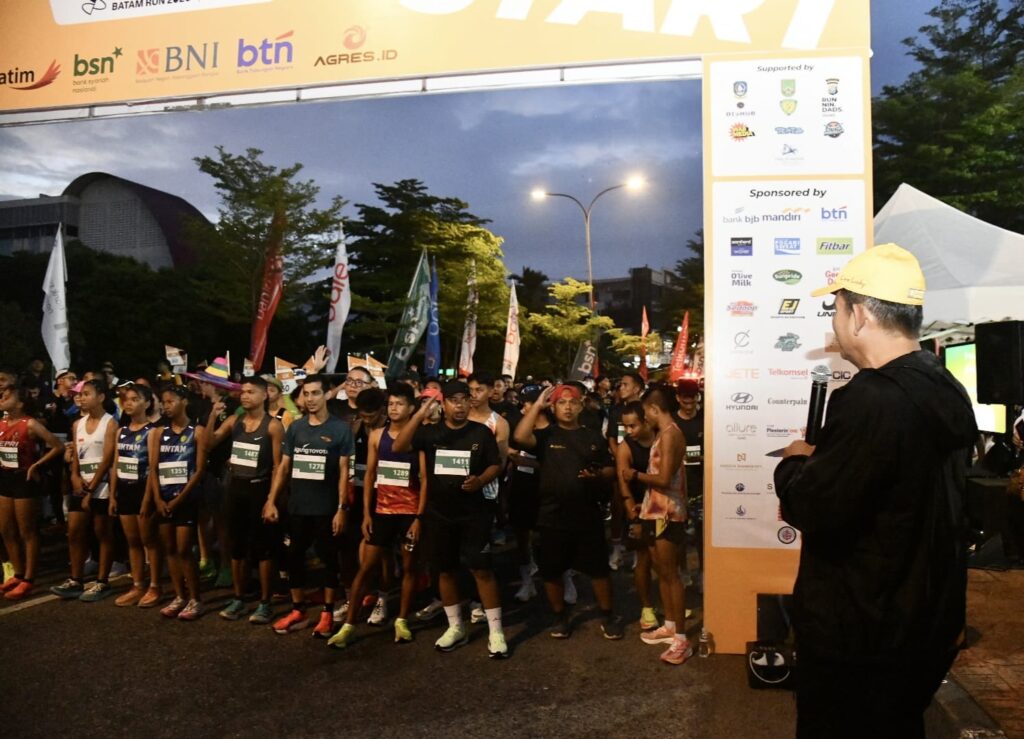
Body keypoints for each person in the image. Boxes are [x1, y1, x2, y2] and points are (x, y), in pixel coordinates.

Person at [774, 243, 977, 738]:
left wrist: (797, 461)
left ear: (860, 315)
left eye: (836, 309)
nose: (835, 322)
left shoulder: (871, 398)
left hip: (860, 634)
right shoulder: (946, 387)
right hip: (921, 628)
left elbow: (811, 507)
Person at [392, 380, 508, 658]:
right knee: (444, 570)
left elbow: (496, 464)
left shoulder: (481, 432)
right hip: (439, 515)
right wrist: (420, 414)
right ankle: (455, 626)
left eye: (464, 399)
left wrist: (480, 480)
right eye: (454, 400)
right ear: (443, 404)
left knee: (482, 570)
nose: (460, 405)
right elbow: (399, 446)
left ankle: (496, 631)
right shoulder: (430, 432)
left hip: (475, 514)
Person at [513, 384, 625, 641]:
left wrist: (598, 474)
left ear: (580, 406)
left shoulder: (592, 436)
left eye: (572, 402)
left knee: (599, 570)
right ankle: (560, 617)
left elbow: (610, 469)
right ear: (553, 407)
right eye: (561, 403)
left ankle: (607, 616)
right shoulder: (546, 435)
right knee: (551, 570)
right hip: (551, 514)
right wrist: (537, 406)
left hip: (587, 513)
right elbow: (519, 437)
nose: (567, 407)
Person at [329, 383, 428, 649]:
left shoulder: (419, 437)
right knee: (366, 567)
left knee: (409, 568)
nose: (394, 408)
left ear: (411, 408)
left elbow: (425, 479)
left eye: (400, 404)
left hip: (409, 512)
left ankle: (402, 620)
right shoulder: (376, 435)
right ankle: (349, 624)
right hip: (382, 511)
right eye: (391, 404)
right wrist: (366, 514)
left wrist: (419, 518)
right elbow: (370, 475)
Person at [264, 375, 354, 637]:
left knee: (328, 560)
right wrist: (271, 500)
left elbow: (344, 472)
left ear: (326, 395)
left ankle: (328, 613)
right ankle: (298, 610)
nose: (310, 399)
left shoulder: (341, 429)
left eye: (315, 393)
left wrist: (341, 509)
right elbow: (284, 467)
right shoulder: (296, 428)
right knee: (294, 557)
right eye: (306, 394)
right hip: (297, 507)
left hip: (326, 509)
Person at [205, 376, 284, 624]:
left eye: (251, 391)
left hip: (259, 489)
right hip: (235, 488)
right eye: (243, 392)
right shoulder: (234, 421)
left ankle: (265, 603)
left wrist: (272, 499)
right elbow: (208, 444)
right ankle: (238, 598)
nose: (245, 396)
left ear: (265, 395)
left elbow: (279, 466)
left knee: (263, 549)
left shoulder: (273, 426)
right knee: (235, 546)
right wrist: (212, 416)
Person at [622, 384, 691, 664]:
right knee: (662, 572)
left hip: (668, 514)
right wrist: (646, 503)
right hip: (656, 511)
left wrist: (634, 475)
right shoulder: (664, 434)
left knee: (671, 574)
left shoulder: (671, 434)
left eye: (645, 412)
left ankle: (682, 640)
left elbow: (663, 479)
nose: (644, 418)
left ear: (653, 408)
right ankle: (670, 626)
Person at [51, 380, 118, 602]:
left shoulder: (110, 424)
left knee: (102, 532)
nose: (82, 398)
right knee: (75, 531)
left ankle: (102, 581)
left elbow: (108, 458)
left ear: (101, 397)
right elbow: (76, 456)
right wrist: (74, 476)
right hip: (80, 485)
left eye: (87, 393)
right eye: (81, 394)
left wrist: (93, 486)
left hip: (102, 486)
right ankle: (75, 579)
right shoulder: (77, 424)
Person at [0, 385, 64, 600]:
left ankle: (28, 578)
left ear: (20, 403)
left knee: (27, 530)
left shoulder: (30, 424)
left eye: (7, 397)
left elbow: (58, 446)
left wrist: (36, 465)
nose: (2, 398)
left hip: (23, 480)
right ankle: (17, 573)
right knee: (6, 529)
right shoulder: (1, 423)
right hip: (4, 479)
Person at [149, 384, 207, 620]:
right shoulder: (158, 433)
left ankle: (195, 599)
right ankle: (179, 596)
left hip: (186, 499)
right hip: (163, 499)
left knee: (184, 549)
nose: (166, 406)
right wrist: (157, 498)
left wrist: (179, 499)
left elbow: (199, 469)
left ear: (184, 402)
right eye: (163, 402)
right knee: (170, 548)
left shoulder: (197, 431)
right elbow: (153, 468)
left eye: (171, 401)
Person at [109, 384, 162, 607]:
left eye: (135, 399)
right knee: (132, 541)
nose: (128, 403)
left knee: (149, 540)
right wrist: (113, 495)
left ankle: (155, 586)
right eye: (126, 399)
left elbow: (153, 467)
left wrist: (148, 498)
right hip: (125, 490)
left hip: (143, 491)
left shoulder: (153, 431)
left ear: (147, 403)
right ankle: (138, 584)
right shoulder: (121, 431)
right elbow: (116, 463)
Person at [615, 400, 658, 631]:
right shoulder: (626, 447)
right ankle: (647, 608)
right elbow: (623, 484)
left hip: (663, 505)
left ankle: (669, 605)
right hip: (639, 508)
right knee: (644, 558)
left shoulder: (661, 438)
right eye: (625, 426)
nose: (629, 431)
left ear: (646, 422)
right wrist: (633, 517)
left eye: (633, 426)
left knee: (665, 559)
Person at [507, 384, 547, 602]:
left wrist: (532, 463)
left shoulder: (553, 430)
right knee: (521, 536)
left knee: (545, 537)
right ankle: (527, 581)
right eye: (523, 403)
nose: (524, 407)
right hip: (521, 487)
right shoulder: (518, 425)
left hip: (545, 490)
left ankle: (562, 579)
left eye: (529, 403)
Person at [606, 372, 645, 571]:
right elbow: (612, 438)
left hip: (643, 466)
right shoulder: (615, 412)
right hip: (621, 466)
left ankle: (640, 550)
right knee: (618, 505)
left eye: (625, 384)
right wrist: (621, 459)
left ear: (637, 388)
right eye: (620, 384)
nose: (621, 388)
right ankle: (616, 547)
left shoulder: (646, 409)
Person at [674, 379, 705, 585]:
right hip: (677, 487)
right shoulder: (671, 423)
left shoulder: (705, 420)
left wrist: (697, 457)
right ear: (678, 398)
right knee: (680, 535)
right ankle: (683, 570)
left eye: (692, 398)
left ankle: (703, 572)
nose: (689, 403)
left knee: (702, 533)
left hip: (701, 485)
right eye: (685, 399)